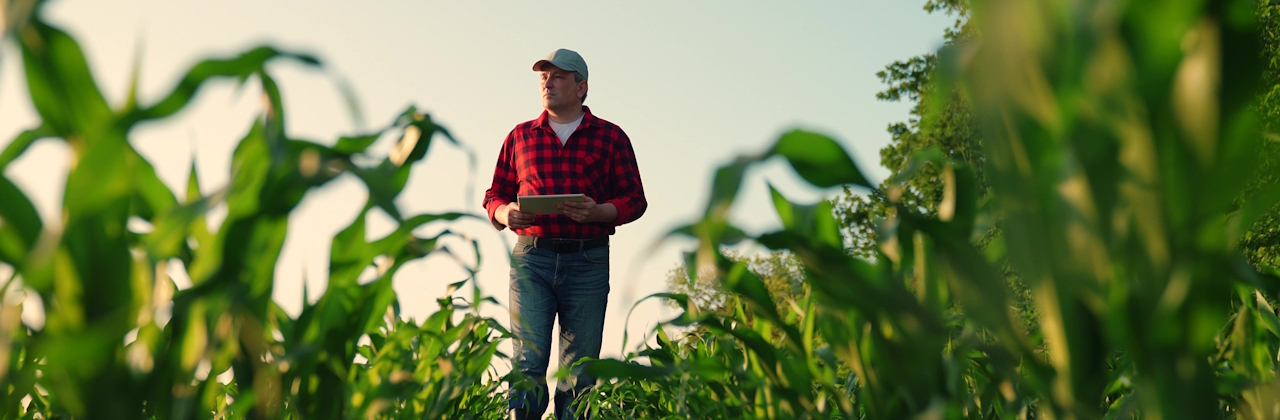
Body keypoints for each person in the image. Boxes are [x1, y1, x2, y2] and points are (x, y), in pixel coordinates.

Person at [482, 48, 647, 420]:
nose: (547, 81)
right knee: (527, 361)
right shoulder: (520, 136)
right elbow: (494, 195)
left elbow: (635, 199)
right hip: (532, 260)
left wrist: (599, 211)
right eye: (543, 75)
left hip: (587, 262)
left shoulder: (611, 137)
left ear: (581, 87)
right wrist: (506, 213)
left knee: (580, 371)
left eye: (557, 76)